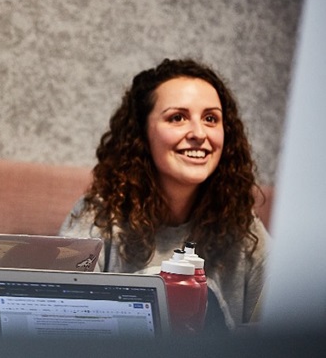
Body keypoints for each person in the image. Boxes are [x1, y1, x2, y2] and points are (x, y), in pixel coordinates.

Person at [59, 58, 270, 332]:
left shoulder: (243, 225)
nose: (198, 133)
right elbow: (61, 320)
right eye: (177, 117)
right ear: (142, 135)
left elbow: (287, 322)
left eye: (211, 119)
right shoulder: (99, 216)